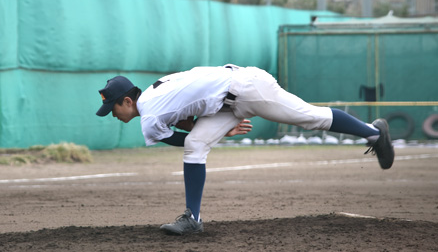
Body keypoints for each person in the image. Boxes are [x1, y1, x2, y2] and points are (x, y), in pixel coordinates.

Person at [96, 64, 394, 235]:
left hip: (248, 90)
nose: (113, 114)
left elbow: (176, 136)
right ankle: (193, 219)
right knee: (196, 145)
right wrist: (220, 126)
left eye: (112, 108)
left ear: (127, 101)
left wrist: (218, 126)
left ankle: (373, 133)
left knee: (310, 117)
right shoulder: (153, 92)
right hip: (229, 98)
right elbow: (191, 111)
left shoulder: (147, 117)